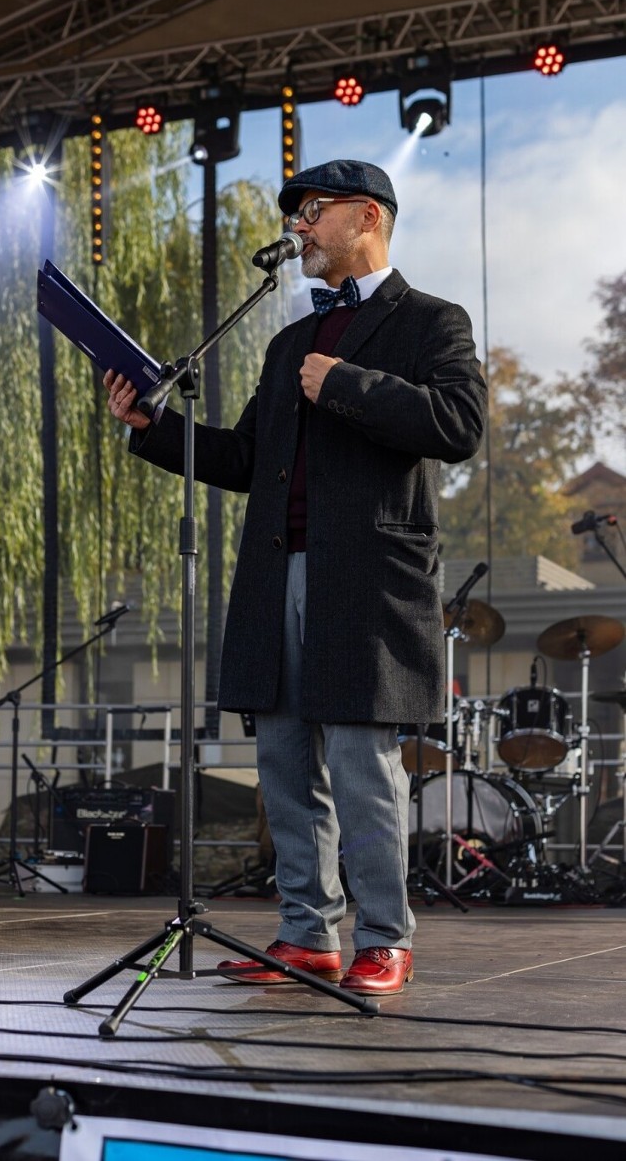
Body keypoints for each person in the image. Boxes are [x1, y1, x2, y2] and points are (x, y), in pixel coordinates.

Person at [103, 159, 487, 996]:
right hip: (275, 576)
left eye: (314, 211)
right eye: (299, 214)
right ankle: (306, 936)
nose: (300, 227)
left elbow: (458, 425)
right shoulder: (287, 343)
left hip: (368, 582)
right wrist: (155, 427)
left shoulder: (431, 320)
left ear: (369, 218)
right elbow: (245, 459)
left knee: (360, 764)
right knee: (281, 763)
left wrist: (346, 385)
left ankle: (385, 937)